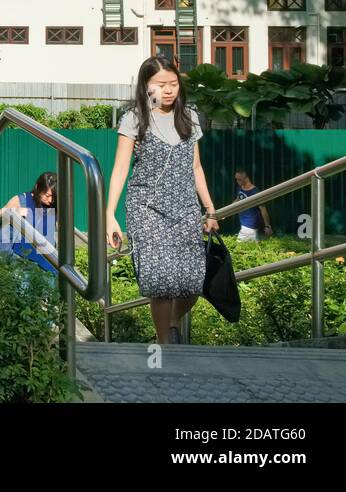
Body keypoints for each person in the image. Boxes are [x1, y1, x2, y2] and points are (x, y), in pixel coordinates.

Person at [105, 56, 219, 345]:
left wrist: (210, 209)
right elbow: (120, 168)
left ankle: (172, 322)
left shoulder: (190, 118)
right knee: (162, 282)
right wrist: (110, 214)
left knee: (192, 283)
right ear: (146, 86)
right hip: (147, 209)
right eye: (160, 84)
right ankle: (164, 343)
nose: (169, 90)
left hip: (185, 208)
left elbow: (196, 168)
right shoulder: (134, 119)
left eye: (173, 83)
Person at [0, 172, 58, 274]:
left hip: (47, 265)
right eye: (47, 195)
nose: (51, 200)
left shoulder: (55, 206)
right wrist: (14, 211)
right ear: (37, 188)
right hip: (22, 262)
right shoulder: (22, 200)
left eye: (53, 196)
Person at [233, 170, 273, 241]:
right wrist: (226, 211)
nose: (237, 181)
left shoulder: (255, 192)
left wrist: (267, 226)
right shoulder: (240, 188)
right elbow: (238, 199)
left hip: (249, 227)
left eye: (239, 179)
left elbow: (263, 209)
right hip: (245, 226)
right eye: (236, 179)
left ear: (246, 178)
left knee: (237, 249)